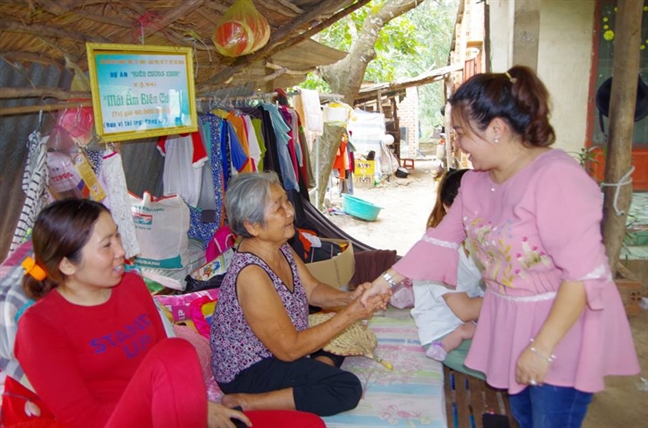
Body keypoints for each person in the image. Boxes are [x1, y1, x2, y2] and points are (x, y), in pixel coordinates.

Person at [362, 66, 640, 428]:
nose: (457, 142)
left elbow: (583, 275)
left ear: (496, 129)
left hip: (561, 324)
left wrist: (541, 348)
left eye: (461, 132)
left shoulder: (557, 178)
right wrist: (385, 283)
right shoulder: (476, 183)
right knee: (524, 416)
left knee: (550, 420)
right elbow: (439, 239)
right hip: (508, 318)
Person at [14, 198, 322, 428]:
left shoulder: (132, 286)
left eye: (118, 236)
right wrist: (189, 409)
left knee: (309, 425)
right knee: (175, 351)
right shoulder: (39, 326)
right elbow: (84, 419)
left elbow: (172, 371)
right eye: (106, 245)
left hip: (173, 414)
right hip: (115, 423)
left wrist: (192, 407)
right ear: (67, 264)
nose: (122, 251)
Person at [210, 172, 385, 417]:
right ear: (252, 226)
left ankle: (307, 377)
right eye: (278, 207)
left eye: (286, 201)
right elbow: (289, 349)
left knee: (340, 341)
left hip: (281, 350)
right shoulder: (251, 274)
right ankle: (246, 402)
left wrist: (352, 298)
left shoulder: (279, 247)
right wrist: (350, 314)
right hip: (250, 370)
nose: (290, 212)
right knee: (346, 388)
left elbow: (313, 290)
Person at [411, 168, 484, 362]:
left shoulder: (467, 243)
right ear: (447, 207)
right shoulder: (438, 250)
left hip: (470, 325)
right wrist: (515, 296)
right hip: (445, 336)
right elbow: (466, 309)